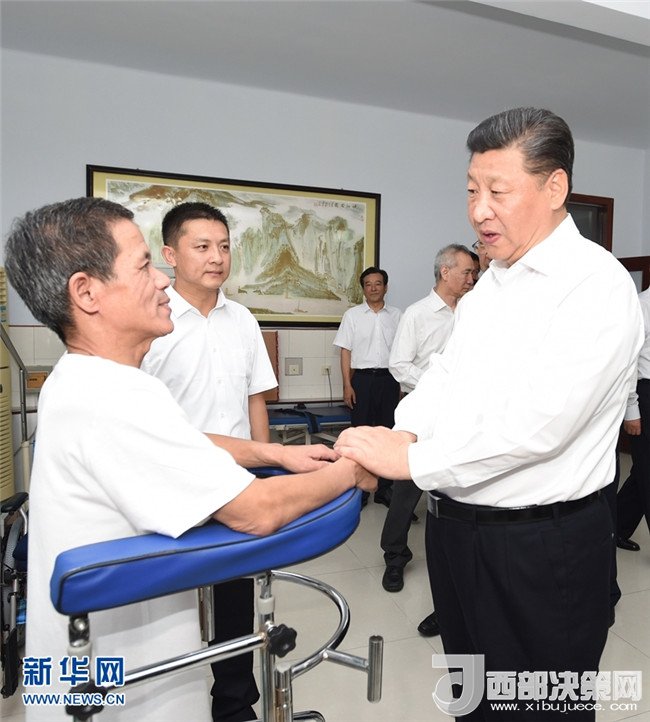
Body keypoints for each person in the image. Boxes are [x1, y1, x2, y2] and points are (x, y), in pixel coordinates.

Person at [4, 197, 376, 722]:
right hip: (120, 687)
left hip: (98, 665)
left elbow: (184, 441)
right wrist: (351, 470)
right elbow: (257, 512)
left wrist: (272, 452)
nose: (160, 281)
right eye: (143, 267)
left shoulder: (82, 379)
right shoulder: (116, 395)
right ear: (86, 292)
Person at [335, 107, 643, 721]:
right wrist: (401, 431)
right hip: (456, 533)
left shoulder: (595, 285)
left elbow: (541, 427)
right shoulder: (490, 289)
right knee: (473, 699)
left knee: (539, 708)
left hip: (540, 544)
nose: (479, 211)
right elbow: (446, 377)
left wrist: (411, 460)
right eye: (472, 191)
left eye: (497, 192)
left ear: (554, 187)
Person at [141, 202, 277, 722]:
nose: (217, 257)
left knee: (234, 601)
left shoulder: (241, 319)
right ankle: (169, 704)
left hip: (235, 482)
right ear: (171, 254)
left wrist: (266, 473)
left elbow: (255, 400)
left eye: (223, 246)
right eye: (202, 247)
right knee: (169, 606)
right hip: (170, 484)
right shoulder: (152, 320)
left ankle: (234, 704)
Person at [380, 245, 473, 626]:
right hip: (422, 412)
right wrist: (438, 390)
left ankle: (455, 571)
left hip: (462, 415)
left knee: (454, 490)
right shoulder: (417, 314)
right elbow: (398, 364)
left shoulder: (473, 310)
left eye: (474, 272)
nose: (472, 279)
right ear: (445, 272)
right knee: (406, 490)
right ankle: (395, 556)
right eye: (467, 272)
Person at [333, 266, 401, 507]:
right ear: (363, 289)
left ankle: (384, 489)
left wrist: (401, 385)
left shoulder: (398, 316)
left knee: (388, 434)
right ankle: (360, 490)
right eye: (368, 284)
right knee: (360, 435)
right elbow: (345, 351)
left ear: (386, 287)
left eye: (378, 283)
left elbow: (403, 351)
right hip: (361, 380)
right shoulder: (352, 316)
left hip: (389, 380)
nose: (373, 288)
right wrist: (347, 385)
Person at [616, 286, 650, 551]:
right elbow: (628, 362)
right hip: (645, 392)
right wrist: (632, 410)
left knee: (643, 470)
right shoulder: (640, 305)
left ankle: (616, 526)